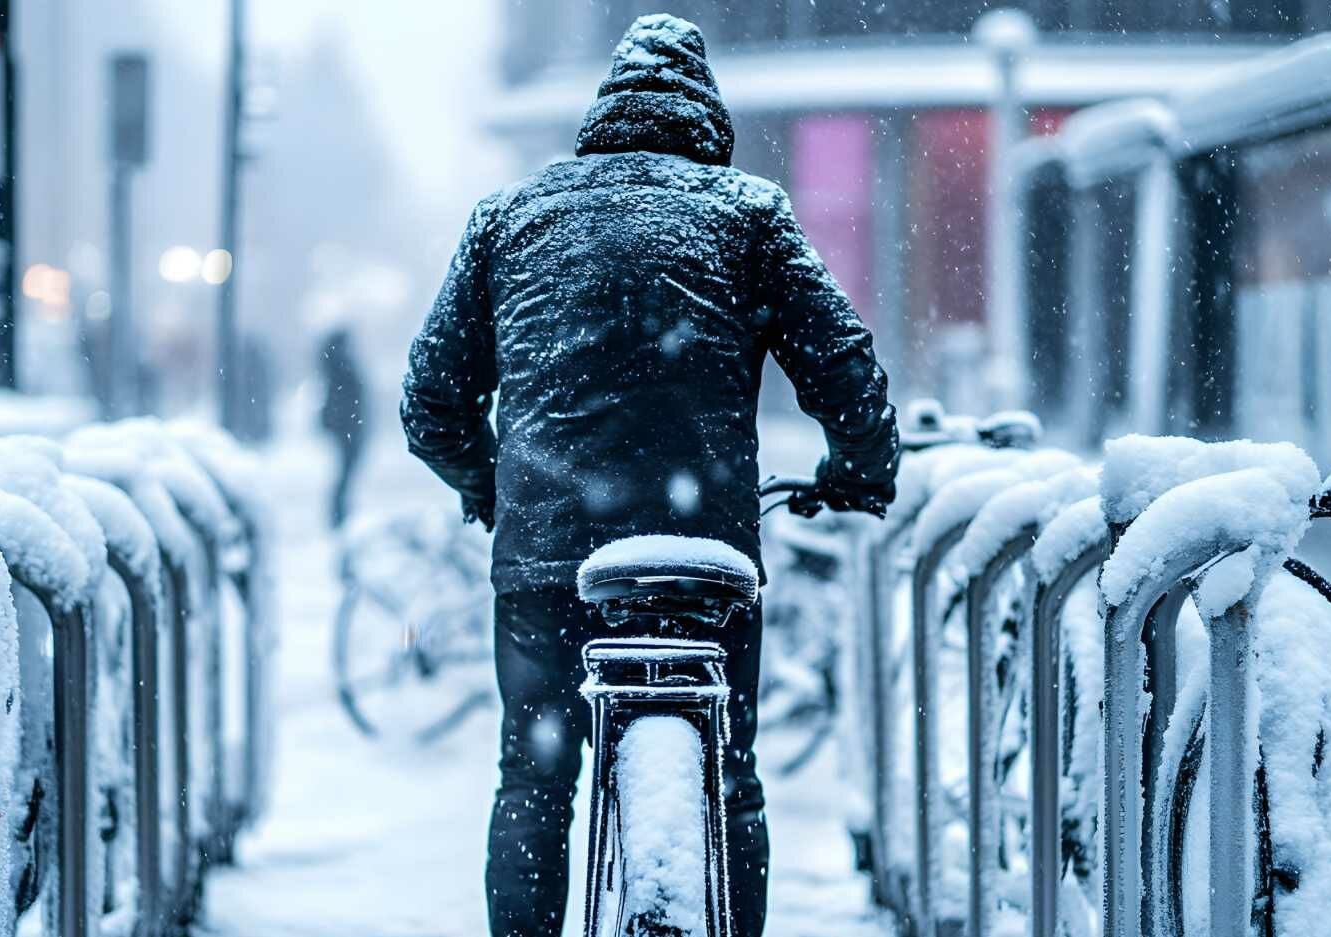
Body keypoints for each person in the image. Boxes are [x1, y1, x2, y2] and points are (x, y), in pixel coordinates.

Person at [400, 14, 898, 937]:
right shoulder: (748, 215)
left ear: (604, 113)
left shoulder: (509, 219)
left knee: (536, 778)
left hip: (549, 564)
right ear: (708, 119)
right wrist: (858, 471)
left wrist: (488, 481)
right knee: (730, 774)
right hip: (698, 560)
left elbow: (429, 401)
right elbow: (848, 370)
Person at [318, 325, 368, 527]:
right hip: (347, 428)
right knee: (346, 471)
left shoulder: (336, 367)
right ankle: (339, 513)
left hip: (347, 427)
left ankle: (339, 512)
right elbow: (346, 400)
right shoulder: (341, 368)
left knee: (346, 471)